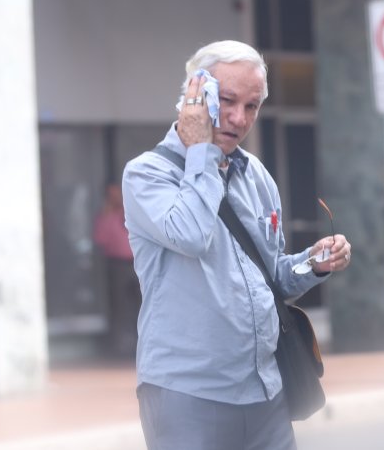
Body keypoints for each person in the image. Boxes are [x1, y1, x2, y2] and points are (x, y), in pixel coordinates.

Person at [122, 40, 353, 450]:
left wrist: (313, 263)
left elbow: (272, 277)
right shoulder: (146, 174)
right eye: (226, 100)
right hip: (189, 395)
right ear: (195, 96)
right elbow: (190, 234)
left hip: (266, 391)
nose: (238, 118)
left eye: (251, 106)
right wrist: (201, 153)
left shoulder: (255, 174)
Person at [92, 182, 141, 358]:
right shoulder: (106, 217)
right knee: (120, 305)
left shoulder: (132, 212)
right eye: (112, 195)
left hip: (138, 262)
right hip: (117, 264)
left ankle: (141, 339)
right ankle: (122, 342)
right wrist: (107, 216)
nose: (116, 198)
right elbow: (100, 239)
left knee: (142, 302)